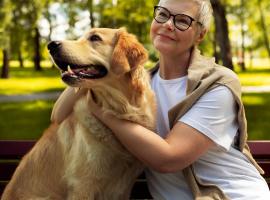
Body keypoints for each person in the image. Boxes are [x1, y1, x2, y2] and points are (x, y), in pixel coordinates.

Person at [52, 0, 270, 199]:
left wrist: (102, 113)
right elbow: (59, 115)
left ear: (200, 34)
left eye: (183, 20)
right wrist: (88, 72)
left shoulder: (218, 83)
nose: (168, 24)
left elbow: (169, 159)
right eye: (162, 14)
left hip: (233, 194)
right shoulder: (141, 84)